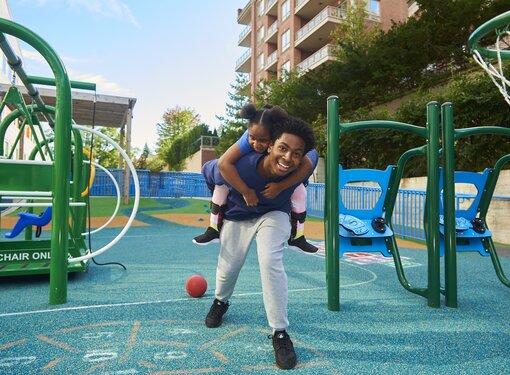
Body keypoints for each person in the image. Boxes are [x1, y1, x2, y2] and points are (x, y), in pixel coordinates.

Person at [202, 116, 318, 370]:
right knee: (228, 267)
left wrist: (280, 187)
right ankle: (221, 301)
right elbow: (215, 168)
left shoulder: (303, 164)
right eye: (283, 148)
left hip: (274, 214)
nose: (288, 158)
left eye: (296, 153)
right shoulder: (241, 165)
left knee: (270, 260)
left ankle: (280, 332)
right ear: (269, 145)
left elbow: (312, 156)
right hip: (239, 215)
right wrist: (239, 192)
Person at [192, 103, 318, 253]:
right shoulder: (247, 141)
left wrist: (281, 186)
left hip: (278, 183)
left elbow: (308, 161)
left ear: (273, 138)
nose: (256, 144)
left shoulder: (284, 138)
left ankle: (297, 235)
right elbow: (224, 163)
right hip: (242, 180)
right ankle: (214, 228)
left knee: (300, 190)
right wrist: (245, 191)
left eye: (262, 140)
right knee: (222, 181)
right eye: (253, 138)